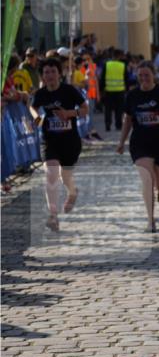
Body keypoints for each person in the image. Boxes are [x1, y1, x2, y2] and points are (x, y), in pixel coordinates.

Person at [117, 61, 159, 232]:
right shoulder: (132, 96)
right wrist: (121, 142)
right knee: (147, 179)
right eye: (140, 76)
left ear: (153, 75)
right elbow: (128, 120)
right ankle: (150, 220)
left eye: (147, 75)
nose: (144, 78)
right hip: (140, 143)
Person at [30, 56, 88, 232]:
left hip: (70, 141)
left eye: (53, 71)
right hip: (50, 140)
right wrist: (36, 117)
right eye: (46, 72)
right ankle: (53, 216)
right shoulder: (41, 94)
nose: (49, 75)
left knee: (65, 176)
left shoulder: (69, 90)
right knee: (51, 174)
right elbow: (33, 107)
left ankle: (73, 192)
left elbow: (85, 109)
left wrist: (70, 113)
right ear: (42, 76)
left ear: (59, 74)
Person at [100, 48, 128, 133]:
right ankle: (118, 125)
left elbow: (102, 78)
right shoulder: (123, 65)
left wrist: (101, 89)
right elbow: (126, 78)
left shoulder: (107, 64)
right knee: (119, 109)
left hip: (109, 90)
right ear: (119, 56)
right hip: (120, 90)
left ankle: (108, 125)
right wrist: (126, 89)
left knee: (108, 109)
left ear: (112, 56)